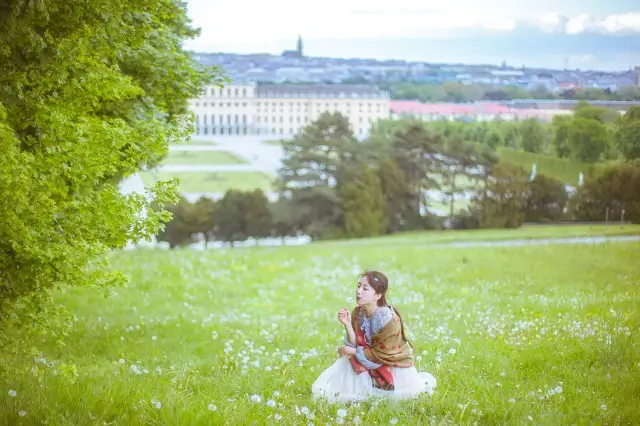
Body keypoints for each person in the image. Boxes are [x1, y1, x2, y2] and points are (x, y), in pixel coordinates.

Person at [311, 271, 437, 403]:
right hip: (367, 357)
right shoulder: (358, 312)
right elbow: (356, 343)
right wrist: (347, 324)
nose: (359, 291)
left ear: (378, 295)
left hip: (390, 361)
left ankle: (375, 387)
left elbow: (384, 352)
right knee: (348, 361)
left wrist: (353, 351)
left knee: (350, 356)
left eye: (365, 288)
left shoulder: (386, 318)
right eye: (358, 286)